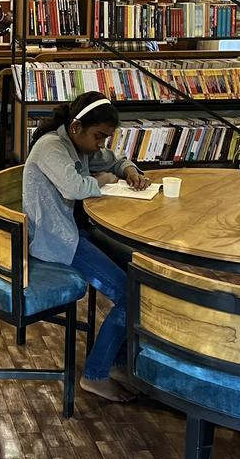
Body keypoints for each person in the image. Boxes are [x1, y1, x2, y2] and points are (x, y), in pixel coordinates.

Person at [23, 92, 150, 402]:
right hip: (56, 241)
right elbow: (75, 187)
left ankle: (120, 363)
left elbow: (115, 161)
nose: (101, 144)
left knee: (139, 267)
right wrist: (104, 180)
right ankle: (95, 374)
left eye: (106, 138)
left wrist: (129, 170)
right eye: (99, 136)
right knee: (130, 295)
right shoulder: (52, 147)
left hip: (75, 231)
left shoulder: (79, 144)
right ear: (77, 126)